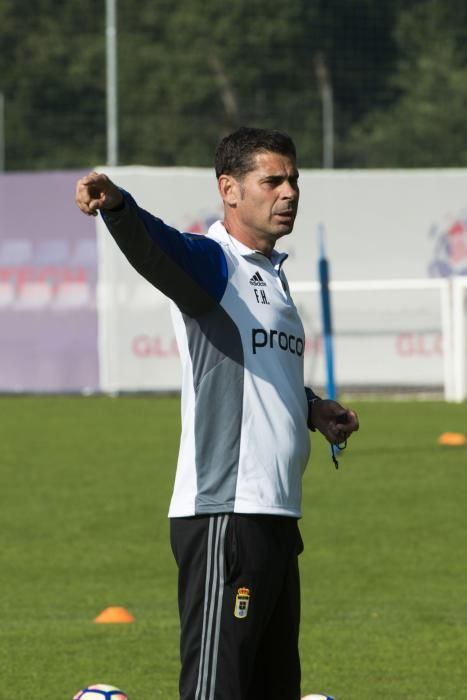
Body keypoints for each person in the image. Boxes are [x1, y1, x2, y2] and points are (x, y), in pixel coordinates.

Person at [75, 127, 359, 700]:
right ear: (229, 190)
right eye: (272, 180)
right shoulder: (214, 264)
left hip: (277, 517)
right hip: (226, 515)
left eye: (294, 180)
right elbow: (159, 249)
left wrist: (312, 408)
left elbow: (261, 379)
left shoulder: (272, 277)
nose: (289, 192)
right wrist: (119, 205)